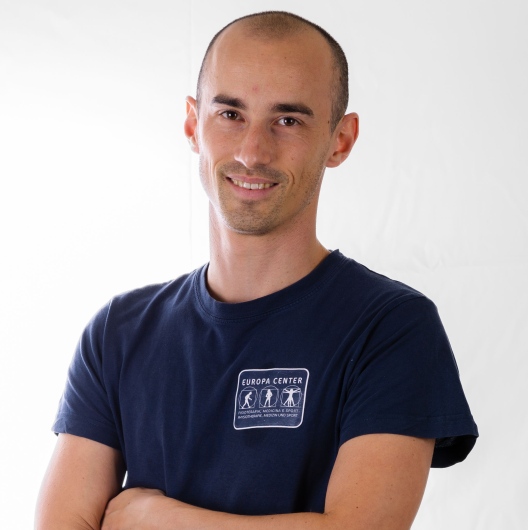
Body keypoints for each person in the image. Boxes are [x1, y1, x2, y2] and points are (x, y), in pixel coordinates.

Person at [35, 11, 478, 529]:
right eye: (230, 114)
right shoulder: (119, 333)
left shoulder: (390, 328)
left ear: (340, 140)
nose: (252, 152)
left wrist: (157, 519)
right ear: (192, 124)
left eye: (288, 121)